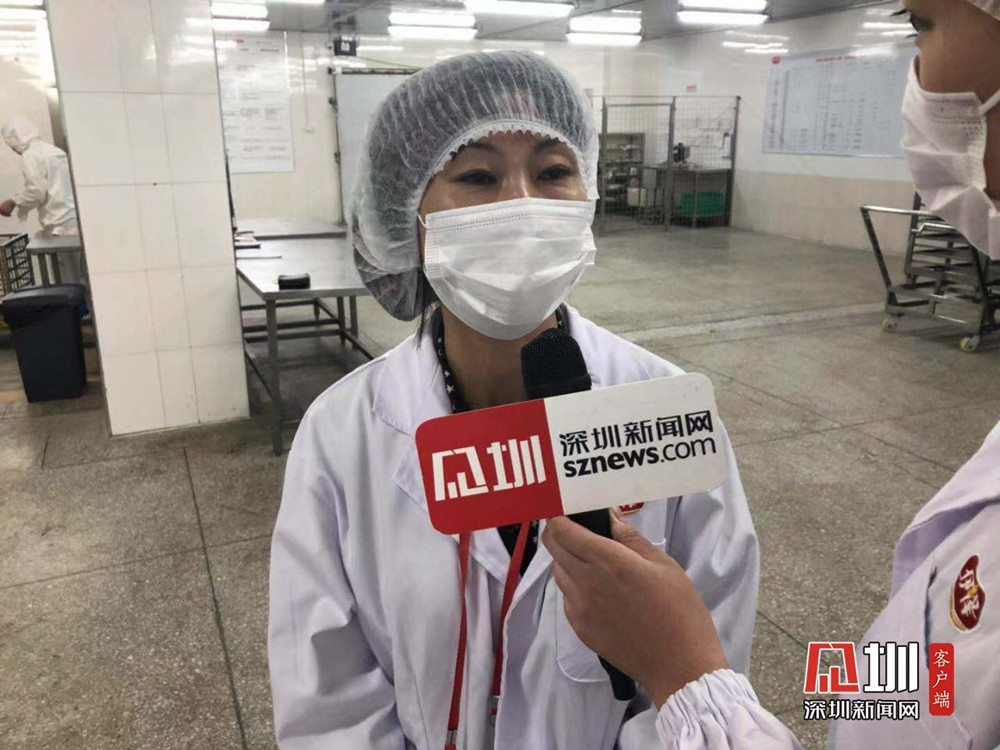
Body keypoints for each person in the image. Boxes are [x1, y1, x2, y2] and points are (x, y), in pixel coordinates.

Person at [268, 51, 760, 749]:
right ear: (407, 212)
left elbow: (704, 674)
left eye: (553, 172)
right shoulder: (342, 435)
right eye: (478, 176)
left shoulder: (662, 407)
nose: (522, 205)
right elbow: (328, 704)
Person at [542, 0, 1000, 747]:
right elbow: (931, 666)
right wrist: (835, 700)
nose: (918, 72)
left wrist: (685, 673)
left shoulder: (660, 396)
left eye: (921, 22)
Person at [1, 116, 82, 283]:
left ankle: (74, 300)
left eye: (11, 145)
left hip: (59, 225)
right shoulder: (55, 151)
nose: (14, 150)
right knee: (81, 272)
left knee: (69, 278)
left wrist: (13, 202)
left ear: (16, 139)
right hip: (74, 220)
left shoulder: (31, 155)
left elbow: (36, 191)